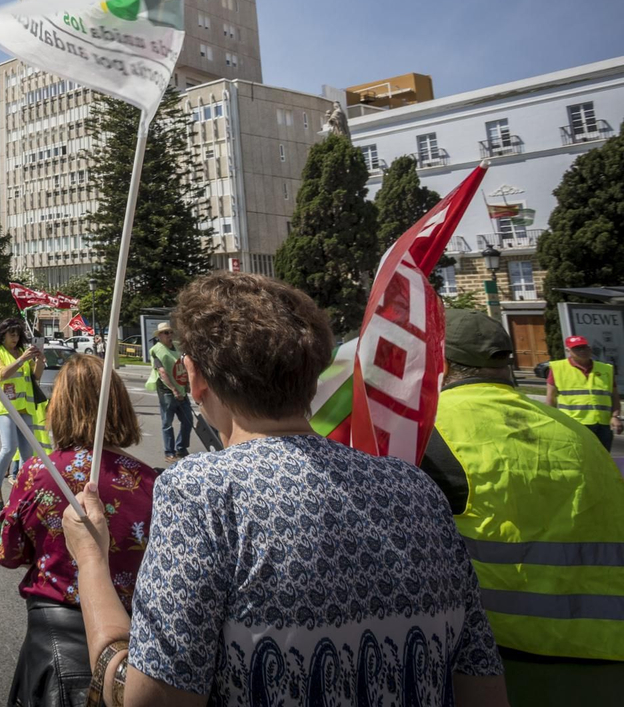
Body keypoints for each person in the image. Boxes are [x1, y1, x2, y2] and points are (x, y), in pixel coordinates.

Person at [59, 273, 508, 706]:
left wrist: (92, 561)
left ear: (193, 377)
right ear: (312, 373)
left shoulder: (201, 490)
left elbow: (152, 700)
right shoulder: (416, 490)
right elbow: (481, 684)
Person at [419, 310, 624, 702]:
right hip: (606, 655)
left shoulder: (432, 430)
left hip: (500, 661)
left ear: (440, 363)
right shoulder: (577, 434)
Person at [0, 355, 158, 707]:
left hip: (56, 637)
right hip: (134, 643)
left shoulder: (38, 472)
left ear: (59, 408)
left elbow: (8, 551)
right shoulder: (151, 481)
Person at [0, 318, 48, 509]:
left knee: (27, 453)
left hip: (25, 407)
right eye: (11, 334)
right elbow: (3, 374)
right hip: (5, 407)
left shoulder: (22, 352)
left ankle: (22, 491)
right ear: (2, 335)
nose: (15, 337)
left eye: (17, 334)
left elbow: (36, 377)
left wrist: (39, 359)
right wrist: (22, 359)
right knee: (9, 448)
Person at [544, 334, 620, 450]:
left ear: (589, 348)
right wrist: (551, 420)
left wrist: (615, 416)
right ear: (568, 350)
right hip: (573, 423)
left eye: (584, 347)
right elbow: (551, 398)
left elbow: (614, 396)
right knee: (579, 459)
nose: (582, 351)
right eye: (577, 349)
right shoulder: (558, 368)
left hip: (603, 425)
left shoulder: (606, 369)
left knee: (603, 460)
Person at [142, 322, 190, 462]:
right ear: (160, 336)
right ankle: (169, 452)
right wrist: (174, 390)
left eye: (170, 332)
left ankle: (181, 448)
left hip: (181, 389)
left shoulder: (177, 348)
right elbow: (162, 372)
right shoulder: (157, 350)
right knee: (167, 423)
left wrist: (185, 384)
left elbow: (183, 366)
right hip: (167, 391)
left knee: (187, 421)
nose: (169, 335)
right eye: (166, 333)